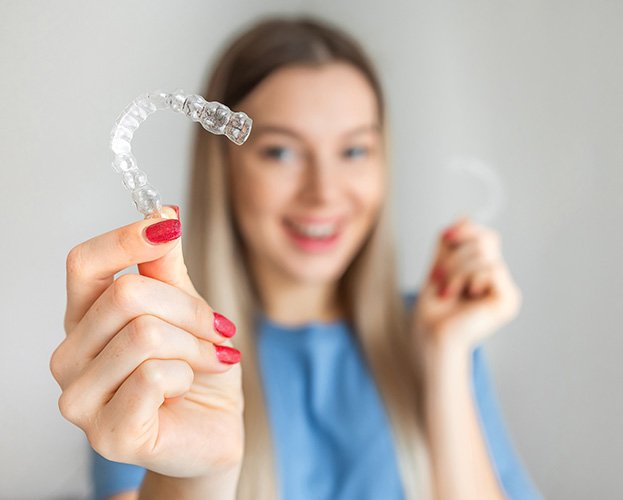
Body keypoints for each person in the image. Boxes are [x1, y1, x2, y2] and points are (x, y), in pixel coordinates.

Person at [50, 17, 541, 500]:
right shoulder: (164, 360)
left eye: (354, 151)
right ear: (223, 166)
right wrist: (193, 477)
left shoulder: (439, 340)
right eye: (282, 153)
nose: (324, 194)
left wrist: (444, 356)